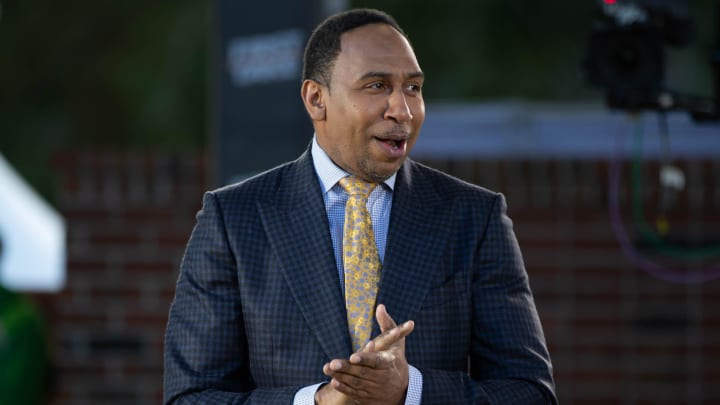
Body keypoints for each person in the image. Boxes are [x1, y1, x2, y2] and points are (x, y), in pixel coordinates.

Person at [164, 8, 556, 404]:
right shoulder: (233, 221)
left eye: (413, 88)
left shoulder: (474, 217)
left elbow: (529, 393)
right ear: (316, 100)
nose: (401, 110)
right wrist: (315, 402)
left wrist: (409, 391)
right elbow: (191, 398)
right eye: (376, 86)